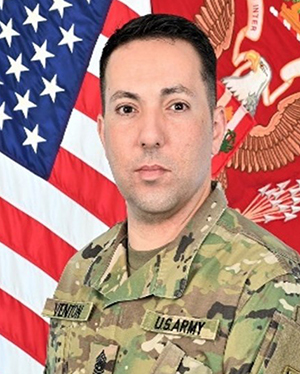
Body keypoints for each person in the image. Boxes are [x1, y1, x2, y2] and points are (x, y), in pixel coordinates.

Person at [43, 14, 300, 374]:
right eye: (127, 109)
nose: (150, 135)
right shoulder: (82, 272)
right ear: (102, 133)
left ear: (215, 129)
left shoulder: (271, 287)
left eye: (176, 105)